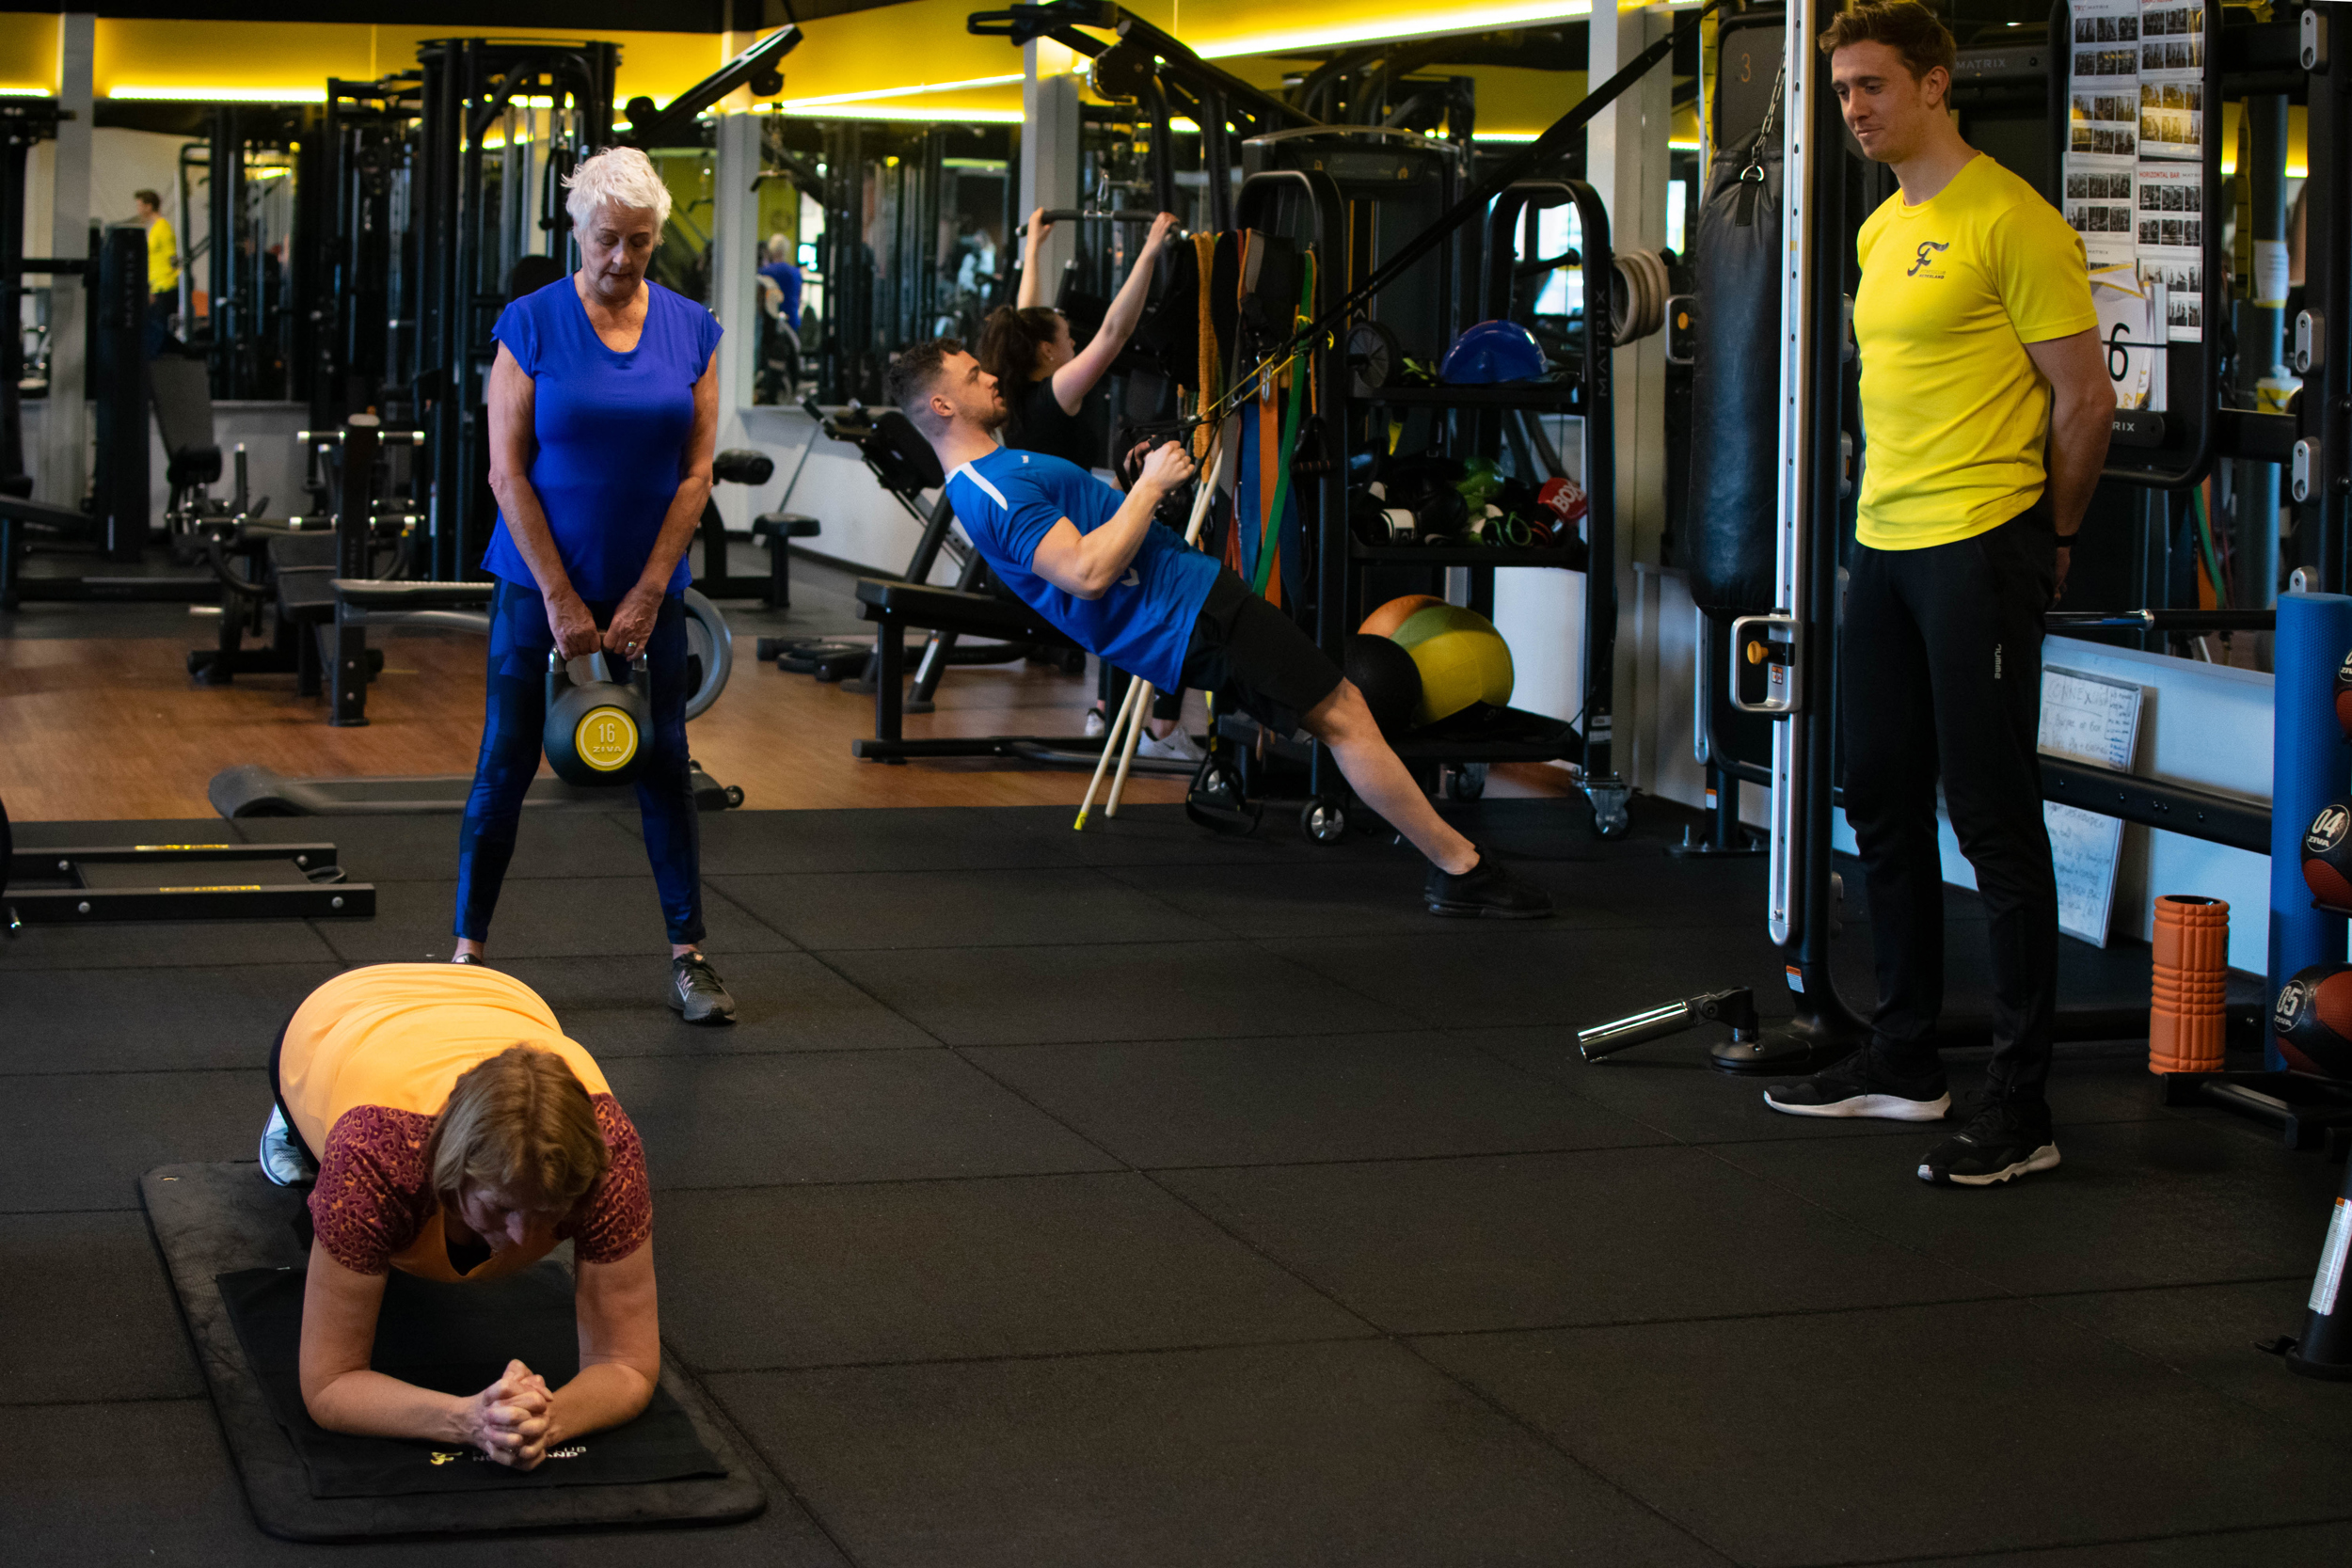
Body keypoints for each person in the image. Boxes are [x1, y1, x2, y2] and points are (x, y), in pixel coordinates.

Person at [1764, 3, 2112, 1186]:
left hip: (1979, 544)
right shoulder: (1880, 228)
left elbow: (2084, 401)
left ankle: (2022, 1105)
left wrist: (2050, 533)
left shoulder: (2012, 219)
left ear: (1933, 84)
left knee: (1993, 818)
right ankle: (1906, 1059)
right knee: (1879, 798)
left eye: (1870, 85)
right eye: (1840, 90)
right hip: (1884, 545)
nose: (1852, 107)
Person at [887, 338, 1552, 919]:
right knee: (1345, 713)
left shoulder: (998, 472)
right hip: (1185, 614)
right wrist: (1149, 489)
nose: (991, 377)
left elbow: (1090, 534)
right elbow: (1086, 572)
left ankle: (1456, 863)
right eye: (973, 375)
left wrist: (1131, 485)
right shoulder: (989, 487)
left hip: (1188, 602)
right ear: (942, 406)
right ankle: (1460, 868)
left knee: (1340, 714)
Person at [461, 145, 737, 1023]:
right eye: (607, 238)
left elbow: (696, 473)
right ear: (577, 228)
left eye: (641, 241)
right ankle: (467, 954)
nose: (623, 258)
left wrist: (650, 592)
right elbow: (507, 473)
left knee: (664, 763)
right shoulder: (531, 322)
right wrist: (560, 597)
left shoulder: (692, 329)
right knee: (507, 759)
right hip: (537, 583)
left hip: (649, 586)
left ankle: (690, 959)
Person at [255, 964, 658, 1471]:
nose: (522, 1237)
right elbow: (329, 1385)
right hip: (340, 1016)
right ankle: (290, 1122)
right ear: (449, 1175)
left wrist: (548, 1420)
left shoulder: (609, 1155)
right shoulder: (375, 1155)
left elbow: (628, 1365)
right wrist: (470, 1420)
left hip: (501, 998)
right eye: (500, 1207)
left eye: (546, 1212)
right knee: (324, 1180)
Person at [984, 210, 1197, 760]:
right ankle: (1162, 733)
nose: (1073, 339)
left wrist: (1034, 250)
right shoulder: (1057, 393)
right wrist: (1150, 248)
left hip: (1063, 529)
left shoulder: (1015, 391)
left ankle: (1105, 712)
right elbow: (1114, 332)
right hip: (1079, 532)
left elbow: (1025, 320)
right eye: (1064, 336)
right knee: (1168, 597)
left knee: (1131, 607)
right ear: (1046, 352)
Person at [133, 189, 177, 355]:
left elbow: (171, 258)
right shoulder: (155, 228)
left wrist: (157, 287)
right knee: (154, 327)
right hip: (157, 285)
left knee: (158, 329)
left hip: (163, 286)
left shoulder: (162, 228)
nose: (138, 210)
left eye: (140, 206)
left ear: (149, 206)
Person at [757, 234, 803, 333]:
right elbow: (799, 299)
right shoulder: (796, 273)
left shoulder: (765, 272)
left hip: (773, 326)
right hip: (792, 323)